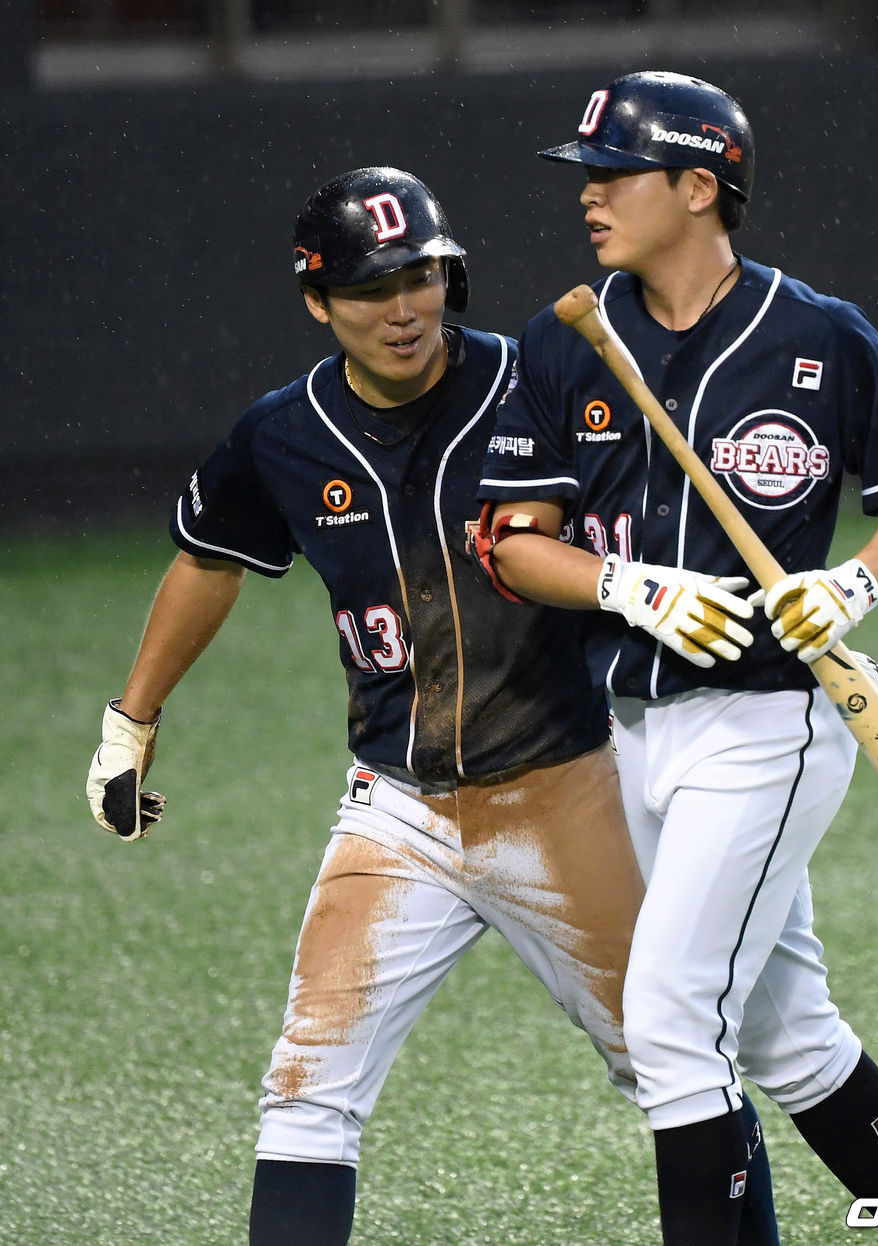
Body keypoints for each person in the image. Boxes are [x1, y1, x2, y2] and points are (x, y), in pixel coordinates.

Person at [85, 166, 781, 1246]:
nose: (403, 308)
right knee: (307, 1089)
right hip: (395, 808)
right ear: (318, 303)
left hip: (567, 786)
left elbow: (665, 507)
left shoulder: (531, 379)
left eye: (422, 277)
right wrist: (132, 720)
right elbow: (208, 558)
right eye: (370, 288)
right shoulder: (283, 432)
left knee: (676, 1063)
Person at [475, 72, 878, 1246]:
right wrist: (629, 585)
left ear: (698, 187)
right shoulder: (566, 342)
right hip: (627, 729)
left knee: (667, 1019)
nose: (590, 194)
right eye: (586, 175)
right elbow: (514, 545)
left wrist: (851, 581)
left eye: (614, 173)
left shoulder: (814, 333)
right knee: (784, 1034)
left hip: (766, 727)